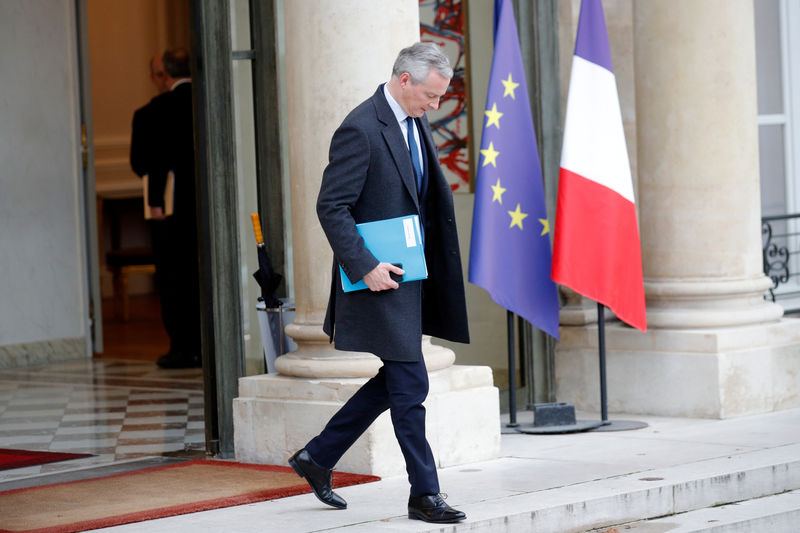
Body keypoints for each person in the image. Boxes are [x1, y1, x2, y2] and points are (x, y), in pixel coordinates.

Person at [288, 42, 470, 524]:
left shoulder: (415, 119)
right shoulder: (361, 127)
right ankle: (424, 494)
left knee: (397, 381)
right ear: (405, 80)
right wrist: (364, 264)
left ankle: (318, 456)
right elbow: (332, 207)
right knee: (411, 386)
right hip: (379, 277)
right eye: (431, 96)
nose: (436, 106)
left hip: (414, 276)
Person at [129, 49, 201, 369]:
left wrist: (156, 201)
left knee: (174, 277)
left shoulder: (153, 111)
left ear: (164, 76)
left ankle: (182, 348)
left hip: (172, 209)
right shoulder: (209, 101)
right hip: (209, 209)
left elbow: (145, 163)